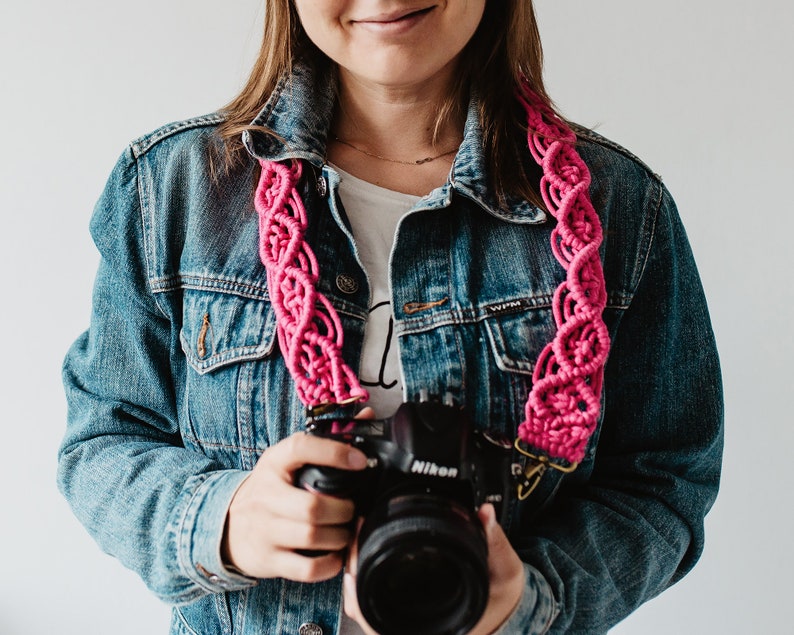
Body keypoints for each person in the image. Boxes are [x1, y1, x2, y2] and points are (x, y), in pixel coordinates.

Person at [57, 1, 724, 634]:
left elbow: (663, 483)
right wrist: (225, 521)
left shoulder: (618, 212)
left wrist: (531, 601)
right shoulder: (171, 190)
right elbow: (102, 444)